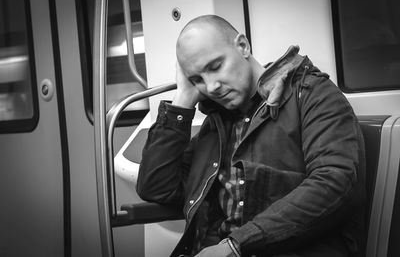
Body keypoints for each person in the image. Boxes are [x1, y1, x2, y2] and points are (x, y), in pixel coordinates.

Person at [136, 15, 366, 257]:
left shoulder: (311, 94)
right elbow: (156, 187)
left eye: (215, 67)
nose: (212, 86)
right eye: (197, 80)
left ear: (243, 46)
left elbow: (335, 183)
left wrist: (236, 246)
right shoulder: (218, 124)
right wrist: (182, 100)